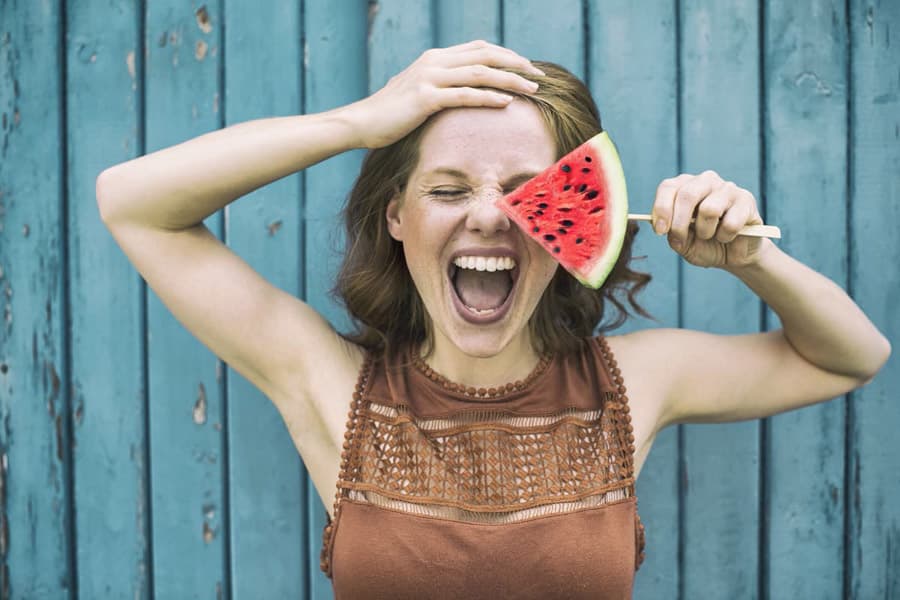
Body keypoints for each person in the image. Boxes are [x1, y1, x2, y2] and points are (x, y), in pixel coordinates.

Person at [96, 40, 890, 599]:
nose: (489, 217)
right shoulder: (331, 388)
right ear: (396, 218)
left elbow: (851, 356)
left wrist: (750, 257)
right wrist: (360, 123)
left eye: (526, 192)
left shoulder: (631, 385)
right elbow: (132, 205)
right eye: (446, 190)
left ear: (583, 219)